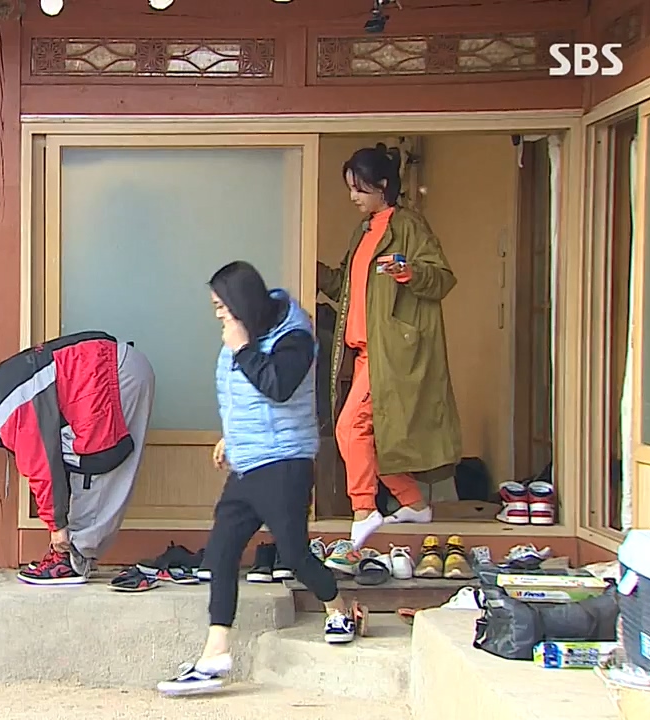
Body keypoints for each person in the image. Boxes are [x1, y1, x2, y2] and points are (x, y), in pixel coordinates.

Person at [156, 261, 355, 697]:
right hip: (248, 464)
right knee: (221, 553)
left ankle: (338, 607)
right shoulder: (242, 335)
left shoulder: (294, 337)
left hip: (284, 464)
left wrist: (244, 349)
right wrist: (231, 437)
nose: (217, 314)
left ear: (241, 302)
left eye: (220, 305)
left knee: (295, 555)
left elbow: (278, 387)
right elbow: (241, 397)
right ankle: (215, 653)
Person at [317, 144, 462, 567]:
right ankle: (413, 503)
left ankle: (364, 508)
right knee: (377, 434)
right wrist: (312, 268)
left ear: (382, 185)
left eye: (359, 188)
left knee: (350, 428)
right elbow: (345, 284)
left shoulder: (407, 225)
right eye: (350, 188)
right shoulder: (364, 231)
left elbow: (442, 278)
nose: (353, 196)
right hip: (366, 351)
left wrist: (409, 272)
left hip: (392, 351)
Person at [0, 331, 155, 585]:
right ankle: (76, 552)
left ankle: (71, 557)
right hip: (111, 367)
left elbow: (41, 466)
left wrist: (57, 528)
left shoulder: (7, 408)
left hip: (113, 375)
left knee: (95, 461)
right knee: (73, 454)